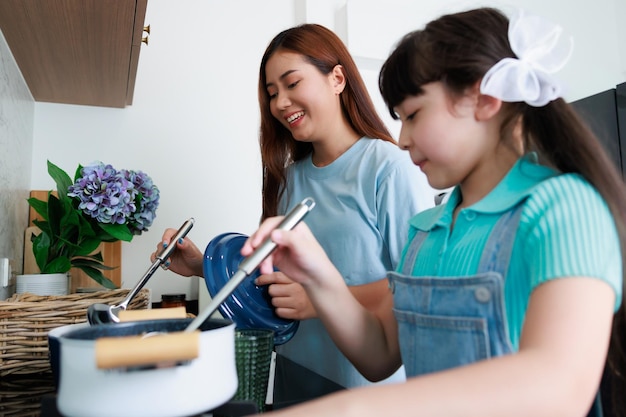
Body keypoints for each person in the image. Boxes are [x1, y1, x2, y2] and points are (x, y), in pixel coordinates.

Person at [241, 7, 626, 417]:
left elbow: (558, 388)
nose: (402, 139)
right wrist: (319, 274)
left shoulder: (564, 208)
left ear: (484, 99)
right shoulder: (428, 231)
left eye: (414, 115)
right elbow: (380, 355)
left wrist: (351, 409)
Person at [152, 23, 434, 389]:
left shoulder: (388, 167)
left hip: (364, 393)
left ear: (337, 79)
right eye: (272, 92)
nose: (280, 102)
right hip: (293, 378)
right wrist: (201, 265)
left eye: (292, 83)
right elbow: (271, 283)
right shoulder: (287, 179)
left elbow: (416, 285)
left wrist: (317, 298)